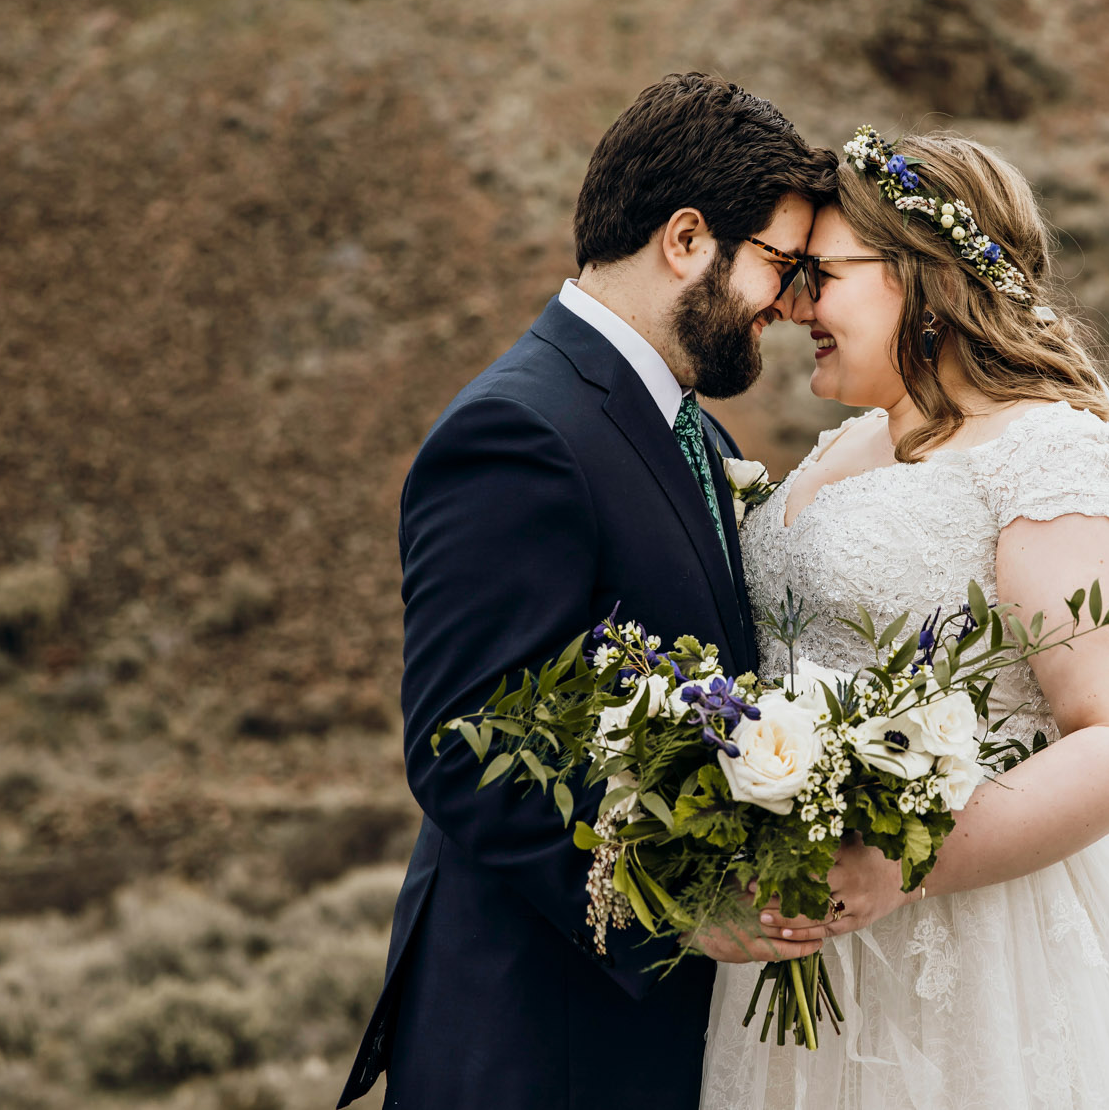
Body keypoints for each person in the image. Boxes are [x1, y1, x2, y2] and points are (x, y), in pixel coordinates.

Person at [699, 128, 1109, 1109]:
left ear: (924, 278)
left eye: (824, 273)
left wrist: (905, 857)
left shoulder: (1051, 452)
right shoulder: (841, 448)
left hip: (995, 958)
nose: (795, 303)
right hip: (809, 967)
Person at [337, 74, 838, 1110]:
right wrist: (681, 905)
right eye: (780, 266)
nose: (790, 305)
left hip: (637, 1036)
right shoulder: (517, 431)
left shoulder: (694, 430)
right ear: (687, 240)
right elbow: (461, 738)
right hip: (538, 1035)